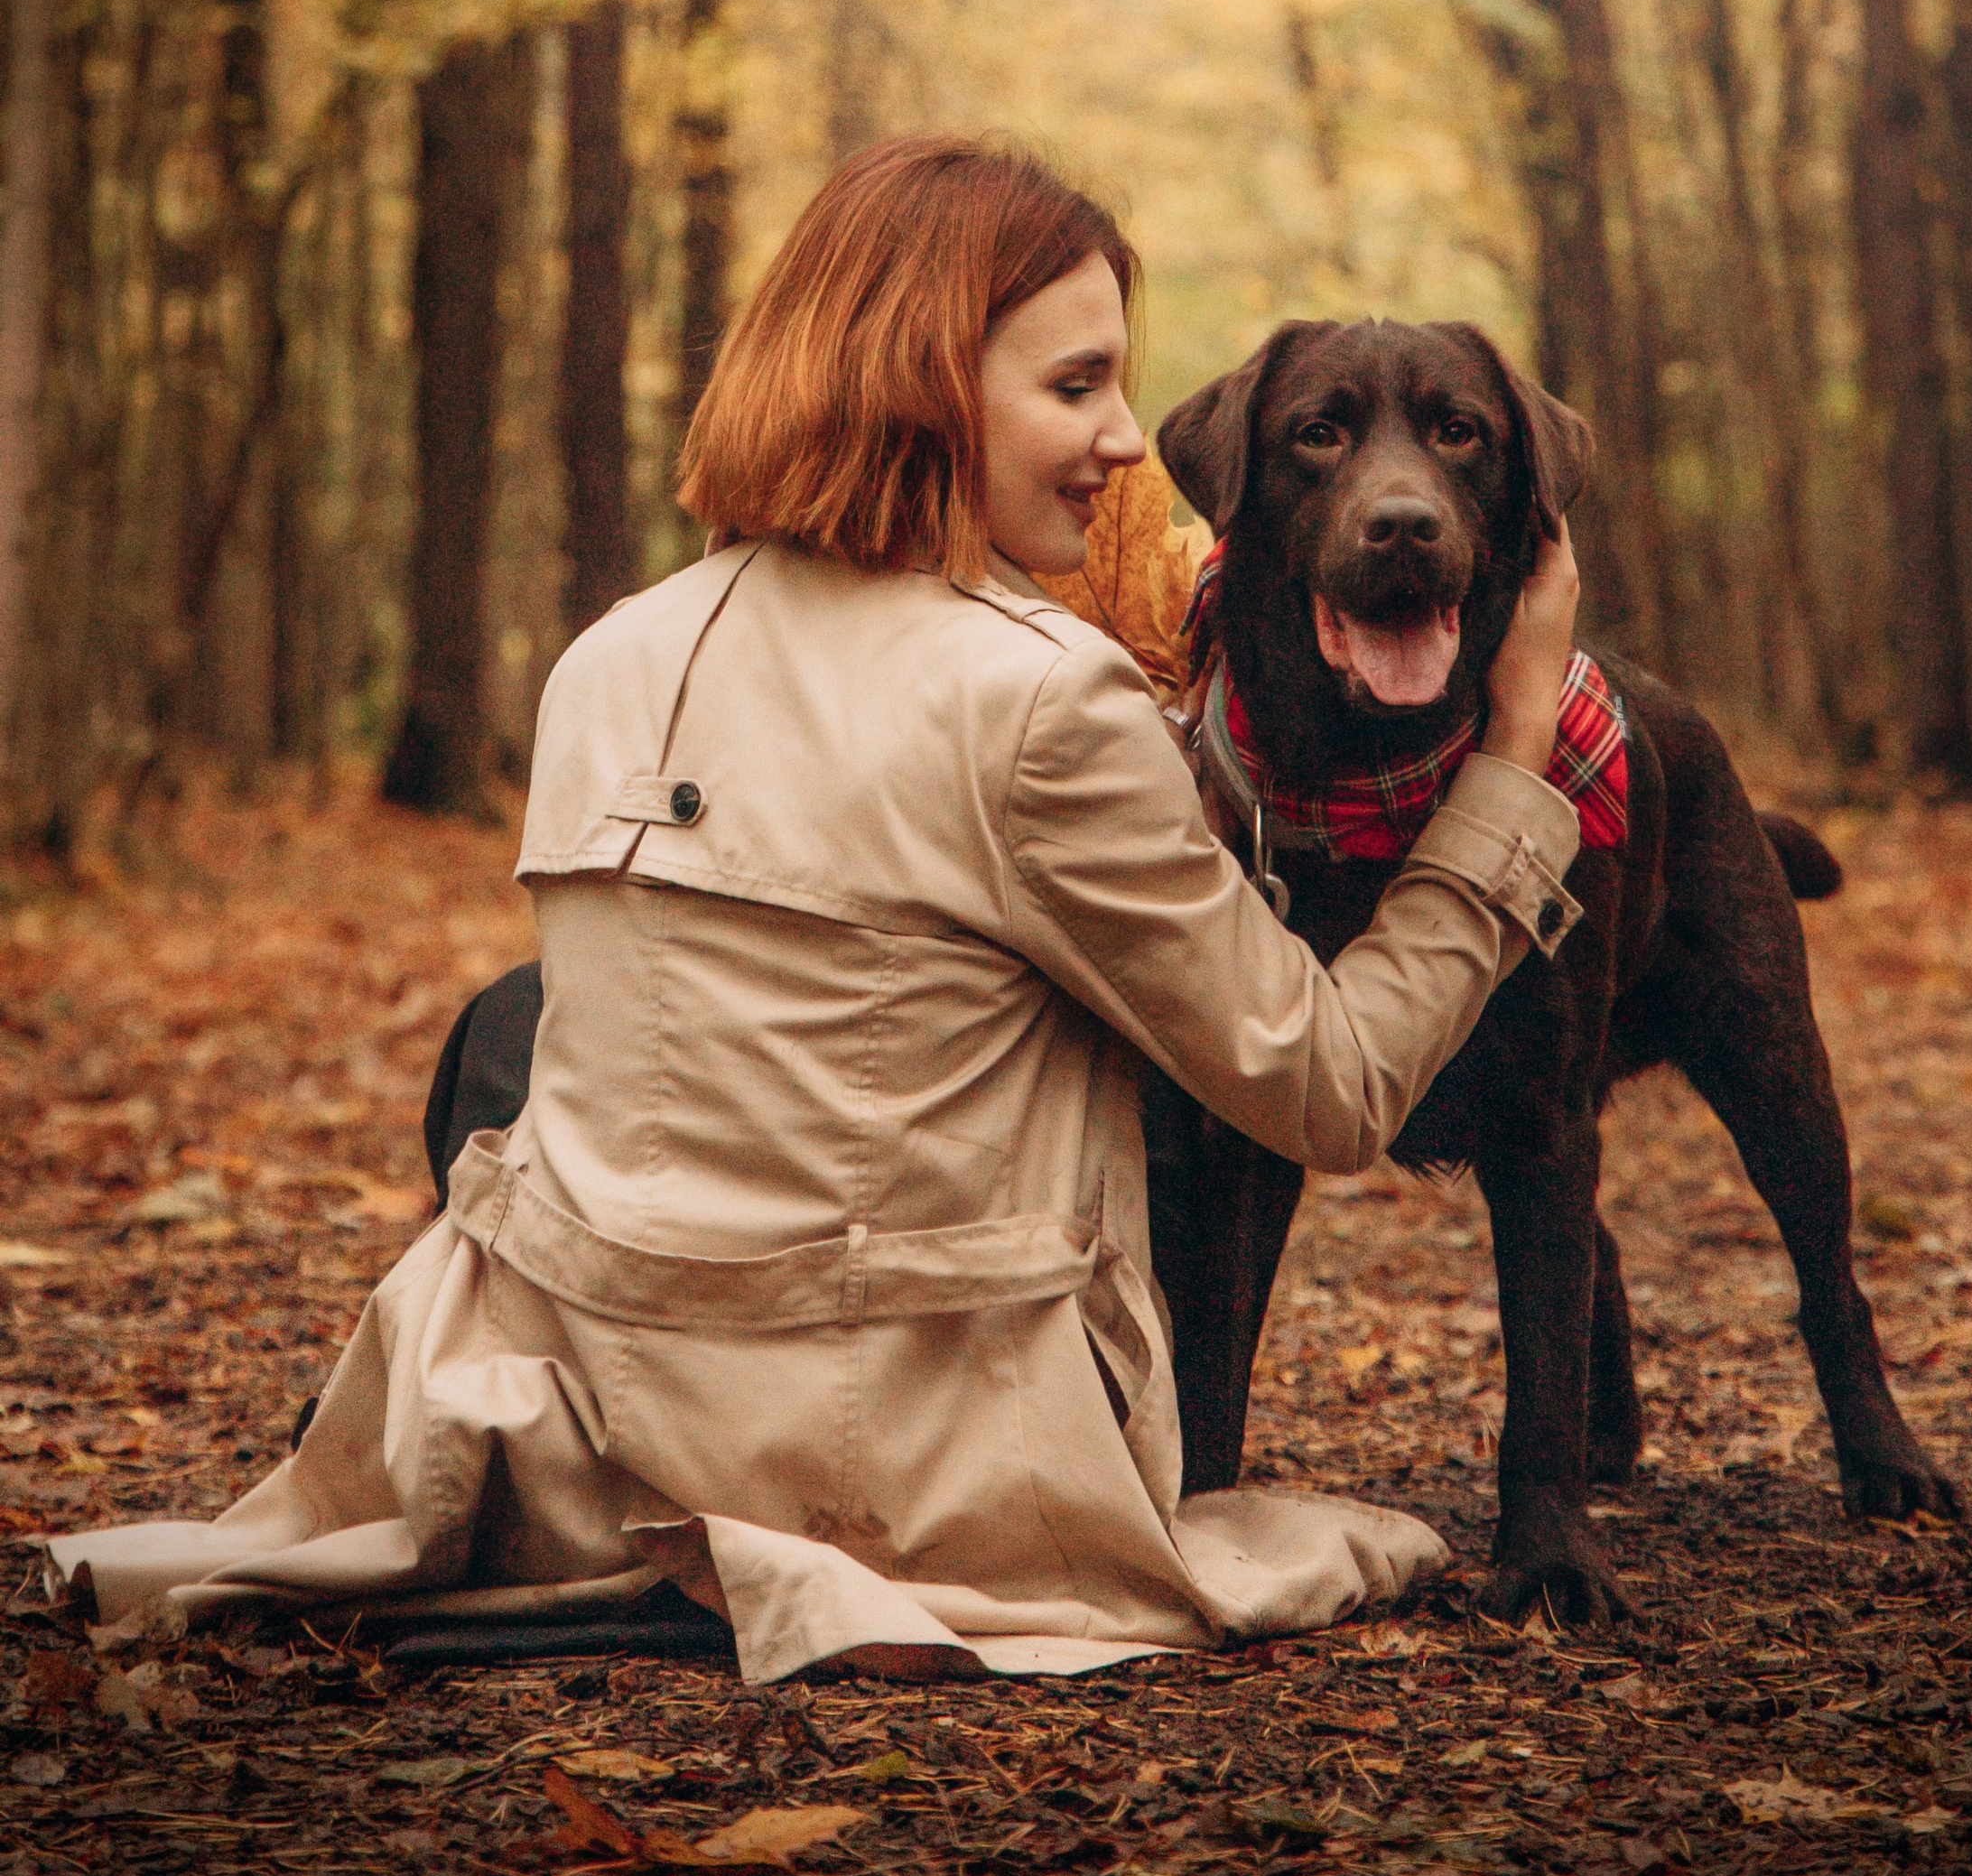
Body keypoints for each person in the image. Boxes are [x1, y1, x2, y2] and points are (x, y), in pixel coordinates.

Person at [54, 137, 1585, 1682]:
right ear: (921, 380)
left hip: (586, 1433)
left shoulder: (608, 660)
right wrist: (1517, 756)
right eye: (1076, 388)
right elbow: (1328, 1090)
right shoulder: (1047, 698)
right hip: (920, 1468)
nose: (1127, 441)